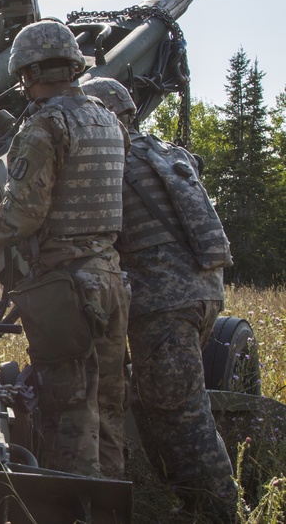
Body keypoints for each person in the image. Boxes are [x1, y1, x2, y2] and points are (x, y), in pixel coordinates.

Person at [0, 20, 130, 479]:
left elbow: (23, 218)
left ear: (27, 73)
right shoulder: (108, 119)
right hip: (112, 278)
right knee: (109, 407)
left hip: (67, 289)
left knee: (69, 411)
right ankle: (113, 503)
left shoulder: (44, 126)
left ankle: (76, 507)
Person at [82, 77, 237, 519]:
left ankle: (218, 511)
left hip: (163, 305)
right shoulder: (163, 152)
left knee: (180, 414)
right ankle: (187, 503)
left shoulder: (118, 160)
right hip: (198, 295)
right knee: (155, 404)